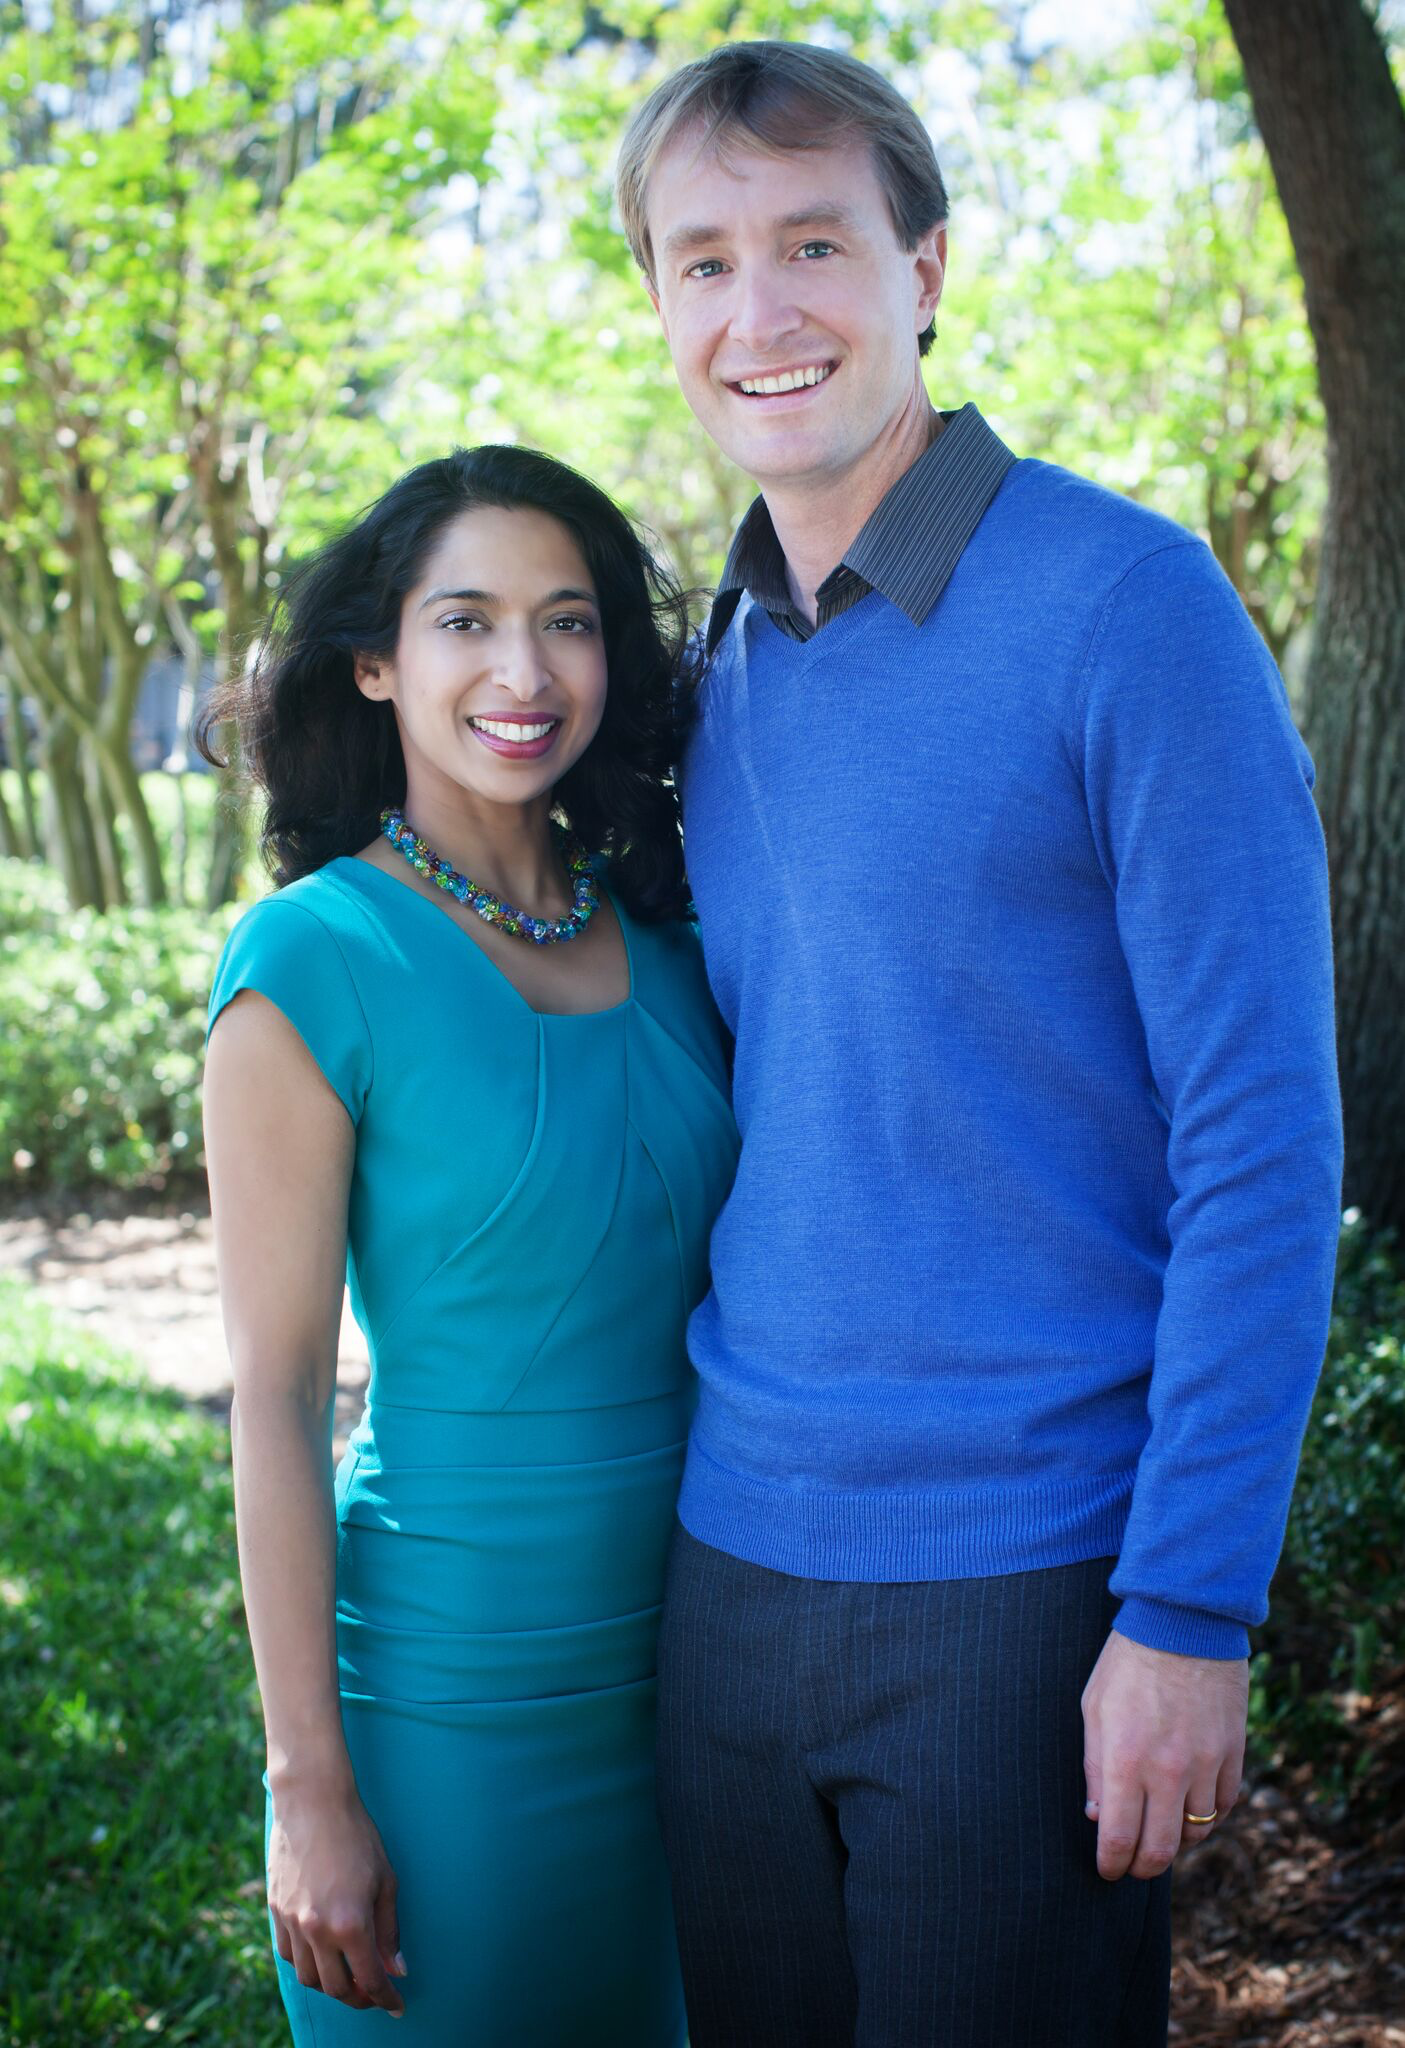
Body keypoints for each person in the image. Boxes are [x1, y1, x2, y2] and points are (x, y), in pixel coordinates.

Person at [614, 40, 1344, 2048]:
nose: (758, 313)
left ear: (926, 267)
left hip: (1027, 1590)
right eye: (700, 262)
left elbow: (1266, 1146)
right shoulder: (716, 674)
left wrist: (1188, 1609)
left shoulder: (1133, 608)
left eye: (814, 244)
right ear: (660, 305)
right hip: (729, 1564)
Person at [199, 445, 738, 2046]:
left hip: (715, 1671)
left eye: (567, 622)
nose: (524, 670)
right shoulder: (312, 957)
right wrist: (310, 1790)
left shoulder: (676, 937)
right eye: (466, 622)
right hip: (455, 1689)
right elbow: (279, 1395)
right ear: (376, 662)